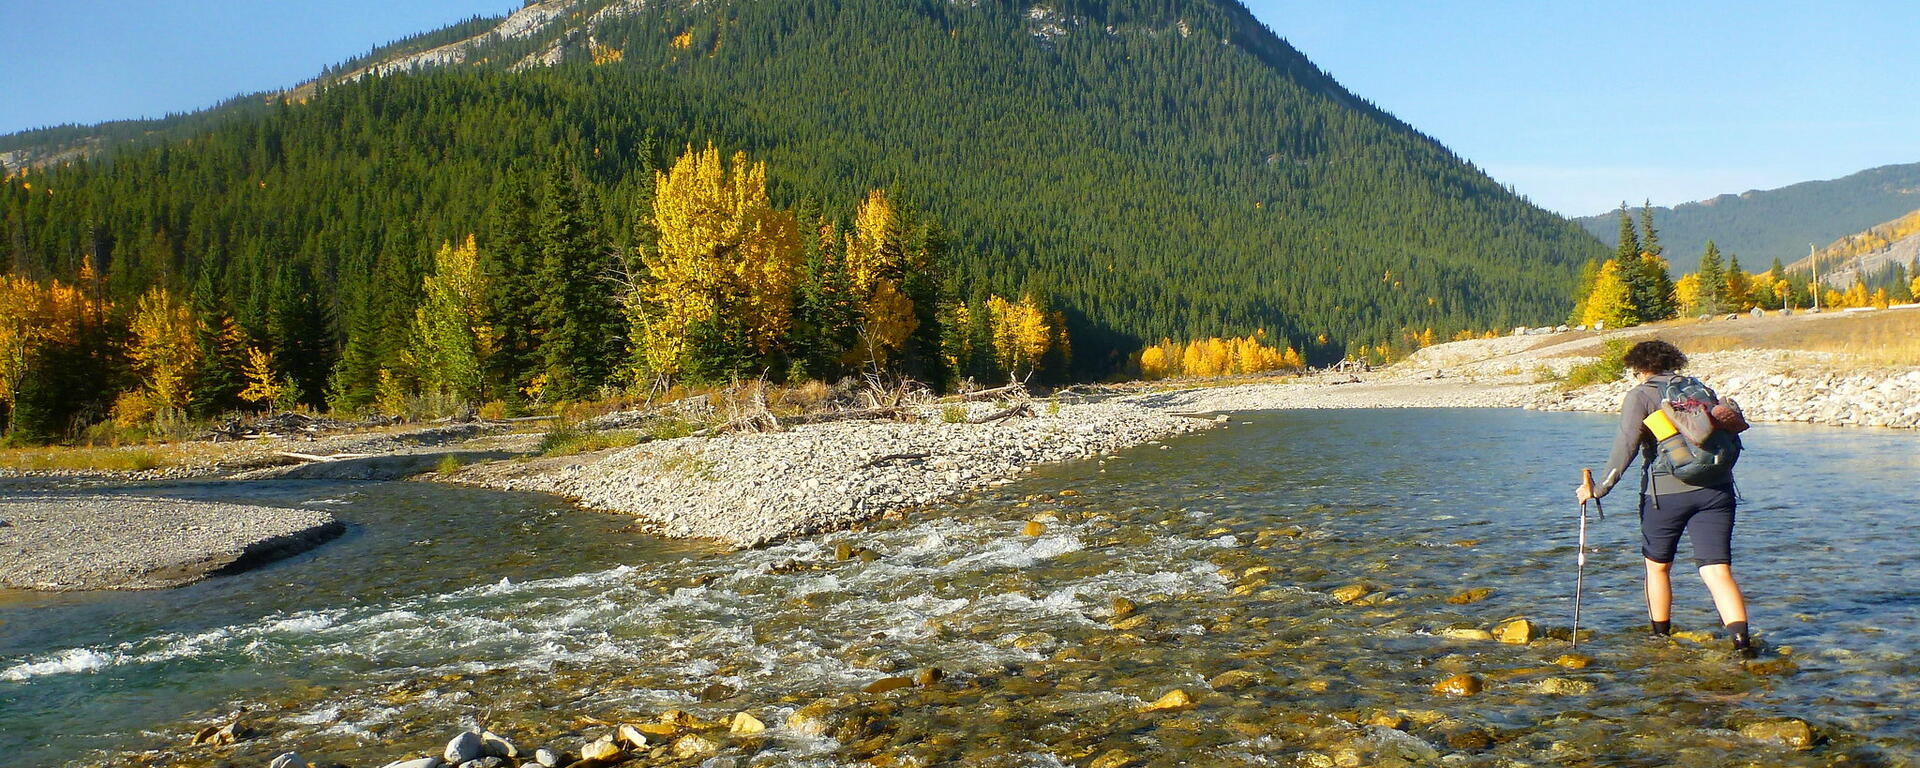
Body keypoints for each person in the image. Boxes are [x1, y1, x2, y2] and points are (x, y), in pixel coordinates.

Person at [1575, 340, 1755, 657]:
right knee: (1717, 571)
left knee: (1657, 568)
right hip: (1717, 489)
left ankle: (1660, 640)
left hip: (1665, 495)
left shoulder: (1641, 395)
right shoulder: (1698, 388)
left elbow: (1626, 446)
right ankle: (1743, 646)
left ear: (1639, 368)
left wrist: (1598, 489)